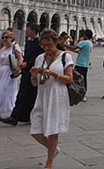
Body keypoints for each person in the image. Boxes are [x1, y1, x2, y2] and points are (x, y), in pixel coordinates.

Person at [30, 29, 74, 169]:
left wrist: (54, 74)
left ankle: (49, 164)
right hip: (42, 96)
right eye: (44, 45)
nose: (46, 48)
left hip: (57, 97)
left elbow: (69, 79)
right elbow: (35, 83)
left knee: (53, 130)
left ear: (56, 42)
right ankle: (53, 149)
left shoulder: (65, 57)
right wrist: (33, 76)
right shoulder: (40, 58)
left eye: (49, 44)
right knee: (35, 130)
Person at [1, 23, 45, 125]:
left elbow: (40, 59)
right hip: (26, 72)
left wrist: (28, 64)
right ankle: (14, 117)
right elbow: (26, 56)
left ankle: (29, 116)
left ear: (34, 31)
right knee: (22, 95)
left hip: (34, 72)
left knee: (32, 96)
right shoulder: (28, 42)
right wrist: (20, 66)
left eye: (28, 29)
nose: (26, 31)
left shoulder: (40, 44)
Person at [0, 29, 23, 123]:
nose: (4, 39)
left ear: (11, 38)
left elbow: (20, 58)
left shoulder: (15, 47)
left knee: (10, 93)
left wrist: (18, 69)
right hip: (3, 72)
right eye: (3, 37)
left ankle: (15, 112)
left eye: (6, 37)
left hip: (11, 73)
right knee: (1, 92)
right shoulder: (2, 49)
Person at [64, 30, 93, 100]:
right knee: (84, 79)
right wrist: (71, 50)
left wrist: (65, 45)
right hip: (85, 64)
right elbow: (80, 51)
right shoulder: (90, 44)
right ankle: (83, 94)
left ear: (86, 35)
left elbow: (74, 47)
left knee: (77, 79)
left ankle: (77, 92)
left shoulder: (84, 42)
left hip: (80, 63)